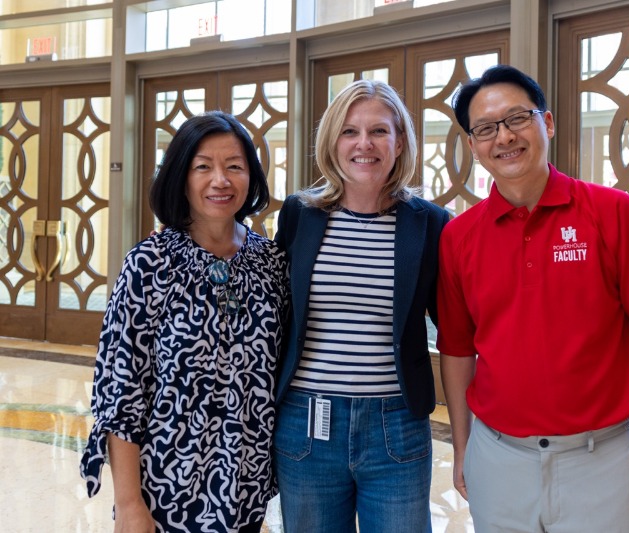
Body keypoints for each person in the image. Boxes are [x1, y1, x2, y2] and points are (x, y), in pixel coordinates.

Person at [437, 64, 629, 532]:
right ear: (473, 146)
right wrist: (463, 447)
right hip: (498, 461)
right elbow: (458, 351)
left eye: (517, 118)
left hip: (606, 461)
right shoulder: (459, 237)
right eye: (486, 128)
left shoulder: (612, 212)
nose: (504, 137)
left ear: (548, 123)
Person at [80, 111, 288, 532]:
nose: (220, 180)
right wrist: (129, 502)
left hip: (245, 492)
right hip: (165, 491)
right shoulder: (149, 265)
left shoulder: (272, 263)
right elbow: (120, 393)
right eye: (203, 167)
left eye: (234, 166)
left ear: (251, 176)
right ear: (181, 176)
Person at [272, 79, 449, 533]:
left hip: (396, 424)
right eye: (350, 131)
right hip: (306, 420)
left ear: (400, 141)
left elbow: (454, 330)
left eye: (379, 131)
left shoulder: (430, 223)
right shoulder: (299, 214)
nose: (364, 144)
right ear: (333, 141)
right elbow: (275, 312)